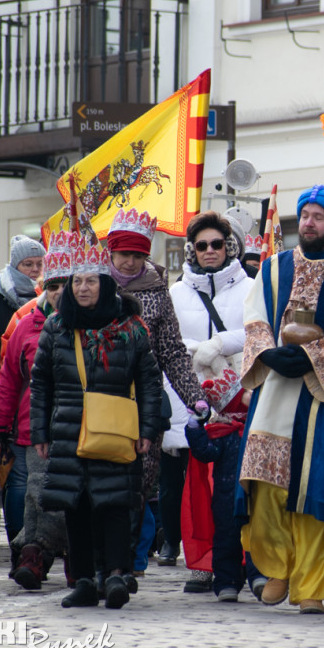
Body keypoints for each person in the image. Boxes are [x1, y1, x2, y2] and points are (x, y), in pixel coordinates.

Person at [237, 184, 324, 615]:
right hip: (276, 387)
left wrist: (312, 358)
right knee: (265, 484)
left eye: (318, 216)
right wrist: (267, 351)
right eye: (306, 215)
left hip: (323, 394)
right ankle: (279, 566)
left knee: (315, 488)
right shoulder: (273, 267)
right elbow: (254, 316)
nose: (309, 223)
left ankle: (311, 585)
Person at [30, 238, 162, 610]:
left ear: (105, 284)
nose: (83, 288)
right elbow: (41, 382)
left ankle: (118, 574)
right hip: (69, 429)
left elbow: (149, 380)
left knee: (117, 502)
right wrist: (40, 431)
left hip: (118, 428)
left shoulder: (130, 326)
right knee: (77, 505)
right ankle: (85, 580)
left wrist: (147, 430)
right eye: (77, 281)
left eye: (91, 281)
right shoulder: (57, 326)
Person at [106, 208, 206, 587]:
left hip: (145, 402)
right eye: (122, 254)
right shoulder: (90, 285)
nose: (129, 261)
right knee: (99, 484)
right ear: (111, 253)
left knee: (138, 486)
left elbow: (172, 352)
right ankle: (100, 564)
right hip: (97, 401)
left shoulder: (158, 293)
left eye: (137, 254)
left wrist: (194, 396)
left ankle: (127, 563)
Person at [163, 210, 255, 595]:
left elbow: (258, 331)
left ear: (229, 245)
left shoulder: (251, 286)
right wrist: (194, 351)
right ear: (192, 250)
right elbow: (166, 343)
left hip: (238, 397)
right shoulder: (177, 291)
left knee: (235, 487)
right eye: (201, 245)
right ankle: (200, 562)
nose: (210, 250)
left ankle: (243, 563)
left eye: (217, 243)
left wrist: (220, 344)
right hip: (190, 397)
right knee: (194, 488)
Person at [0, 234, 73, 589]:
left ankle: (77, 557)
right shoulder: (25, 324)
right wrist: (0, 421)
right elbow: (9, 378)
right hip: (32, 428)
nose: (58, 292)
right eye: (52, 285)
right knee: (35, 494)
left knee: (74, 493)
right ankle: (31, 556)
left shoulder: (90, 326)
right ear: (44, 287)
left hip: (80, 427)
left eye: (65, 285)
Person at [184, 369, 248, 603]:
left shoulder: (254, 429)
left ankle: (260, 575)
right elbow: (205, 453)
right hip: (226, 498)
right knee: (226, 540)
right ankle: (227, 581)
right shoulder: (221, 432)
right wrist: (195, 428)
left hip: (252, 495)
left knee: (256, 537)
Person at [0, 235, 45, 430]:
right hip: (4, 397)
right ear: (15, 267)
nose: (35, 270)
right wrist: (1, 384)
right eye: (28, 264)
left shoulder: (56, 301)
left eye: (40, 264)